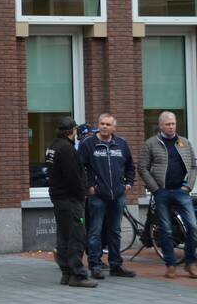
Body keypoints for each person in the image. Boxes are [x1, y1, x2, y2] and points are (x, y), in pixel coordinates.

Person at [138, 111, 197, 279]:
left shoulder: (184, 142)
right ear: (161, 125)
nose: (171, 127)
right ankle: (171, 265)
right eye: (168, 124)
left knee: (193, 227)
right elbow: (142, 167)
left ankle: (190, 263)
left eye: (173, 124)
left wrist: (188, 185)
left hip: (181, 191)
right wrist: (155, 188)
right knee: (166, 230)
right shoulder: (151, 143)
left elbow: (193, 165)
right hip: (161, 192)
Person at [78, 113, 136, 279]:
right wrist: (89, 186)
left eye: (108, 124)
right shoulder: (88, 144)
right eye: (102, 123)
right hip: (97, 196)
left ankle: (116, 265)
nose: (104, 126)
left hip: (117, 195)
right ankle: (95, 265)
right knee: (95, 231)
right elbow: (80, 168)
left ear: (114, 128)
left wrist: (128, 184)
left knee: (115, 231)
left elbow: (131, 166)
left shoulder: (122, 144)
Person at [46, 117, 98, 287]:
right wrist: (82, 193)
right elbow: (73, 178)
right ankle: (78, 274)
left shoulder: (52, 147)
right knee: (76, 236)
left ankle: (66, 273)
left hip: (59, 199)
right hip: (70, 200)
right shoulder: (67, 150)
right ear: (71, 131)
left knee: (63, 237)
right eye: (75, 130)